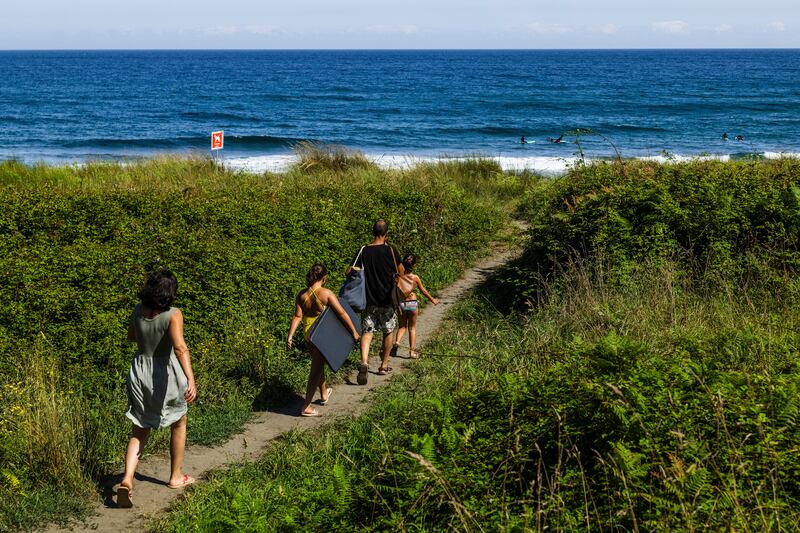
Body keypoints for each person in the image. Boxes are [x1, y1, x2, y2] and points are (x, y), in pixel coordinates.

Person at [117, 269, 197, 509]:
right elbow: (181, 348)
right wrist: (191, 379)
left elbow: (133, 337)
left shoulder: (137, 310)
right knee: (179, 421)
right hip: (165, 370)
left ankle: (127, 479)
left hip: (139, 370)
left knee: (139, 429)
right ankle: (175, 477)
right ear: (170, 293)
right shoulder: (173, 314)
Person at [287, 263, 360, 417]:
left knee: (318, 363)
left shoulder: (302, 294)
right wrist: (353, 331)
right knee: (315, 371)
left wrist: (290, 335)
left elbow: (298, 316)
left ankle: (324, 394)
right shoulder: (326, 293)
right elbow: (341, 313)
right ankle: (305, 407)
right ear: (324, 277)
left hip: (308, 333)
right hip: (321, 334)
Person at [348, 219, 404, 385]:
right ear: (386, 234)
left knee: (367, 332)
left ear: (373, 232)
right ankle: (383, 365)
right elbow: (400, 272)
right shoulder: (391, 250)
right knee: (388, 331)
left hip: (369, 299)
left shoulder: (364, 250)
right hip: (387, 299)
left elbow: (350, 271)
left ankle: (364, 362)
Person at [393, 254, 438, 359]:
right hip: (412, 304)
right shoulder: (415, 278)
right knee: (412, 328)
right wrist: (433, 300)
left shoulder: (398, 276)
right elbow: (423, 291)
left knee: (402, 327)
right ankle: (411, 353)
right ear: (414, 265)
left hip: (401, 304)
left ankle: (397, 342)